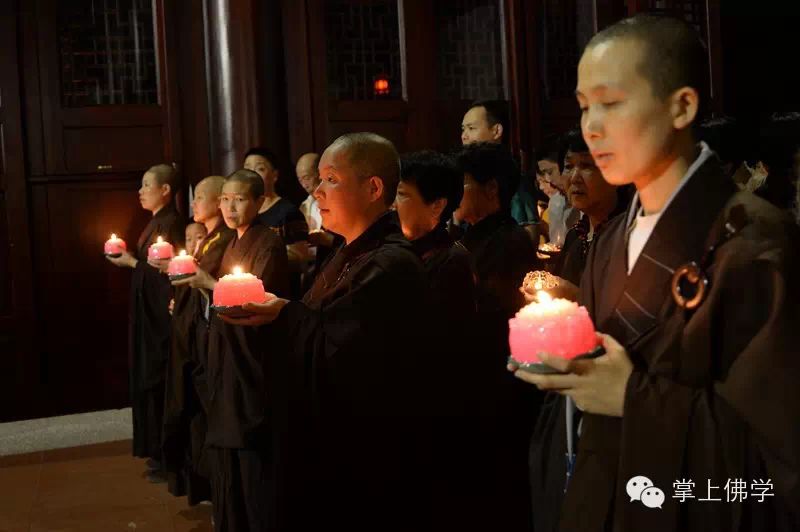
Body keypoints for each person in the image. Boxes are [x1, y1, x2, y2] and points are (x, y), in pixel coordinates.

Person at [513, 14, 800, 531]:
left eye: (611, 102)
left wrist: (632, 400)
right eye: (584, 107)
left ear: (682, 106)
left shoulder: (755, 246)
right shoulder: (612, 239)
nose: (591, 127)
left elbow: (776, 469)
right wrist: (571, 372)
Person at [222, 133, 434, 531]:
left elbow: (348, 350)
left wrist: (285, 315)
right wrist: (282, 314)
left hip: (366, 452)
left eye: (331, 179)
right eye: (318, 180)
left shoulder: (390, 263)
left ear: (373, 188)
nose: (317, 191)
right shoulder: (349, 252)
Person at [454, 141, 541, 531]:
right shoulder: (470, 237)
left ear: (492, 190)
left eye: (464, 184)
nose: (455, 192)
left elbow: (497, 318)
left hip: (498, 386)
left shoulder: (507, 241)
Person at [201, 170, 289, 531]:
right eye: (225, 199)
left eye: (239, 199)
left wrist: (207, 284)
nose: (229, 206)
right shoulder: (232, 241)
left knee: (250, 443)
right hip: (227, 352)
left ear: (258, 202)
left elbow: (253, 299)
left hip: (251, 355)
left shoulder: (268, 241)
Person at [106, 164, 185, 481]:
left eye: (147, 185)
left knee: (159, 380)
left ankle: (169, 455)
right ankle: (156, 450)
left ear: (165, 189)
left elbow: (170, 272)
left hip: (160, 319)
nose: (140, 191)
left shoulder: (172, 224)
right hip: (147, 316)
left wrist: (131, 262)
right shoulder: (156, 222)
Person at [163, 176, 233, 505]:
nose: (194, 204)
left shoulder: (224, 239)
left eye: (200, 197)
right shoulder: (209, 239)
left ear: (220, 200)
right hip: (194, 335)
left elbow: (216, 285)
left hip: (211, 340)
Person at [244, 147, 309, 298]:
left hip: (280, 293)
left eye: (260, 168)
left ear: (274, 175)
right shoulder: (245, 213)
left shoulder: (288, 212)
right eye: (247, 167)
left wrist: (268, 252)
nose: (252, 173)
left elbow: (301, 257)